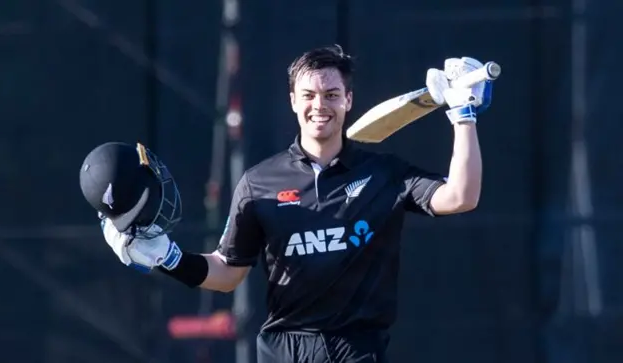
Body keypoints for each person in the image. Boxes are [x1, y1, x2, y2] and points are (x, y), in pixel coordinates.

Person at [79, 45, 493, 363]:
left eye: (332, 94)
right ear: (293, 100)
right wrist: (167, 257)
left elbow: (460, 196)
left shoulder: (383, 173)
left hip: (356, 348)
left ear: (349, 100)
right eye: (309, 94)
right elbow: (227, 273)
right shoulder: (259, 183)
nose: (320, 105)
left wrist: (463, 117)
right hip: (283, 349)